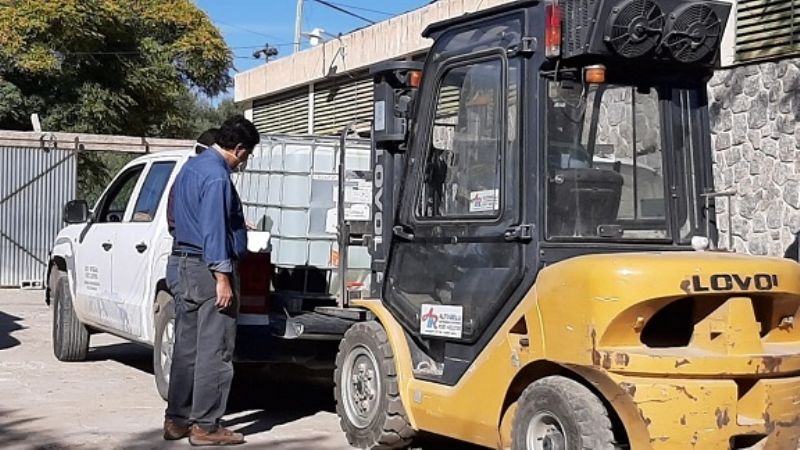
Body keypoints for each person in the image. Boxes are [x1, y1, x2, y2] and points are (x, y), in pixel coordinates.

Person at [163, 116, 259, 446]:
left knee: (186, 348)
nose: (242, 163)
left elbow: (174, 218)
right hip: (208, 271)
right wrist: (222, 278)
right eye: (245, 157)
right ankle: (206, 425)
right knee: (215, 350)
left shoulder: (190, 168)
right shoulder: (218, 177)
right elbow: (214, 229)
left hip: (181, 263)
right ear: (239, 149)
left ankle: (177, 419)